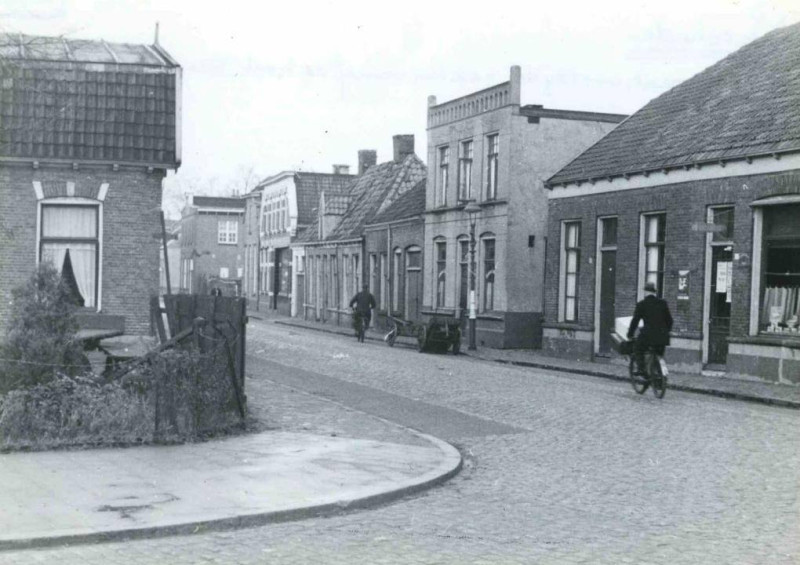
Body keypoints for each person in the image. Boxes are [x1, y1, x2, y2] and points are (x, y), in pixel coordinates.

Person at [627, 281, 673, 376]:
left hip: (648, 336)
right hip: (663, 337)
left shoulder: (642, 304)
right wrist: (666, 331)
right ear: (654, 292)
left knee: (637, 348)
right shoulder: (663, 303)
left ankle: (641, 369)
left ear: (646, 292)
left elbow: (635, 321)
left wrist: (630, 334)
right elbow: (670, 320)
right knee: (659, 354)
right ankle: (660, 376)